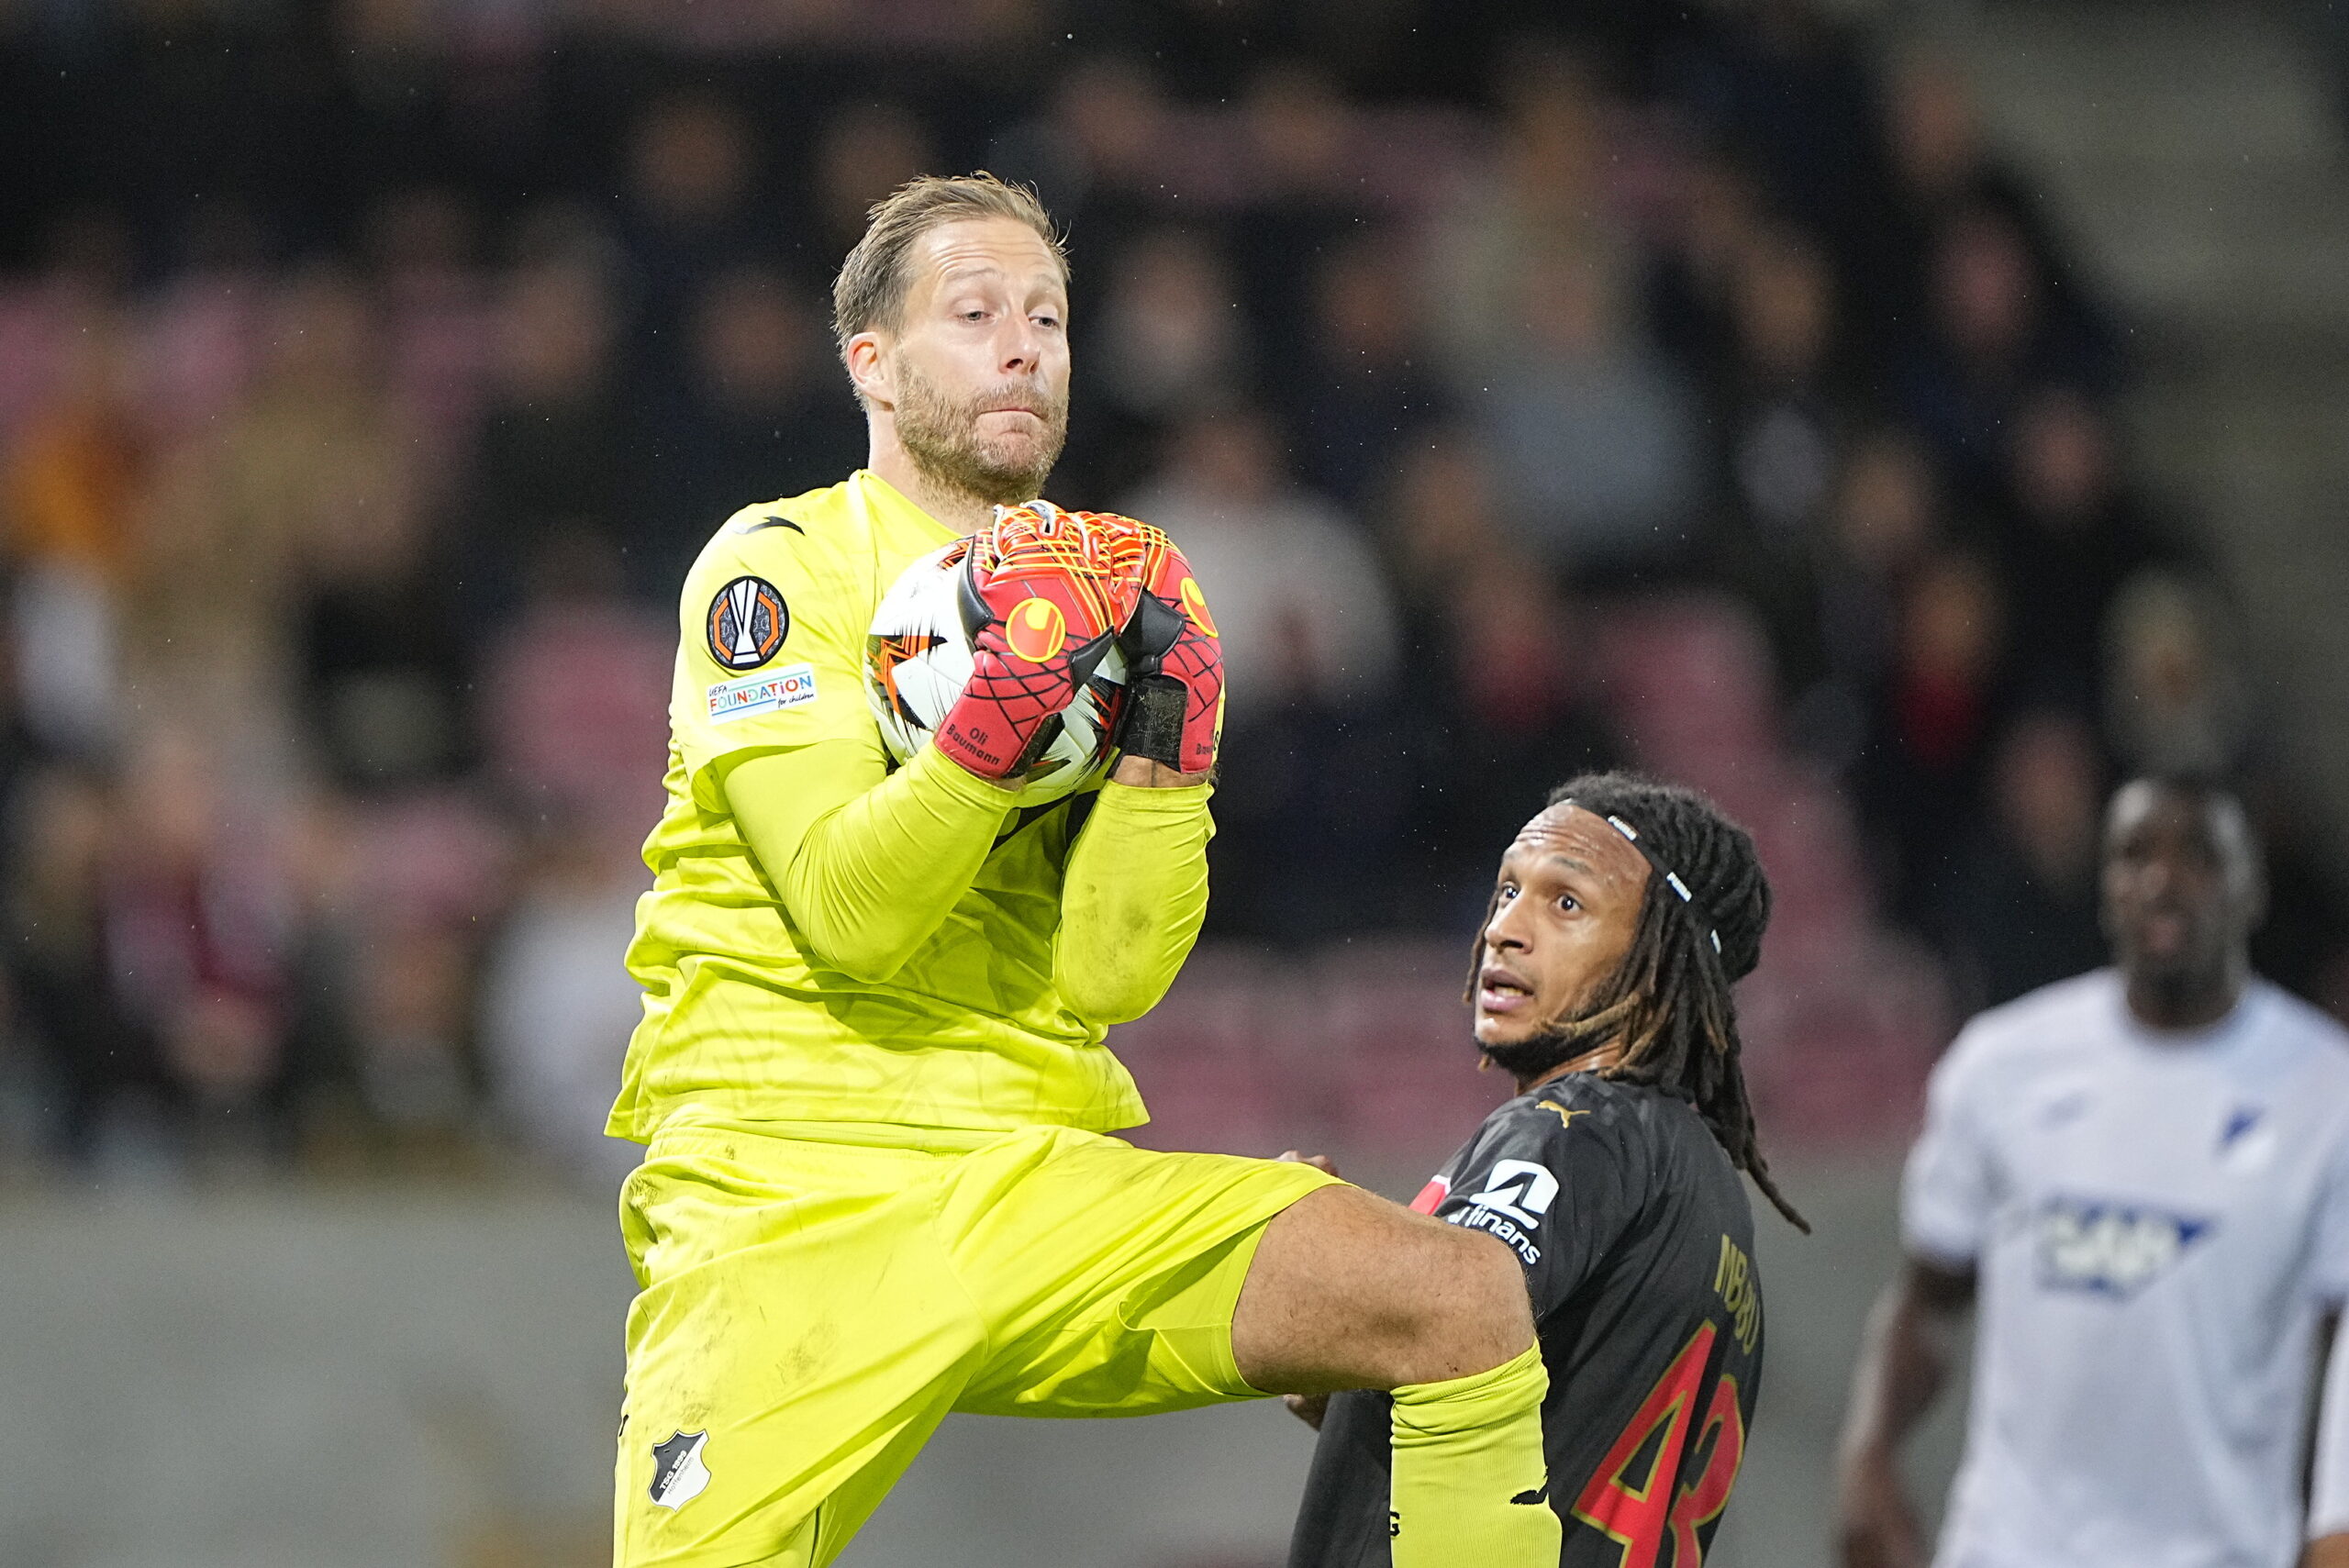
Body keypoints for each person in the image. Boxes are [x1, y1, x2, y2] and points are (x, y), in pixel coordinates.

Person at [609, 174, 1561, 1568]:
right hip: (786, 1201)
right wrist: (1000, 724)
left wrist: (1170, 753)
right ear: (869, 362)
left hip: (1035, 1179)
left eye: (1049, 318)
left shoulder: (1124, 591)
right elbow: (848, 912)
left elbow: (1113, 971)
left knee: (1462, 1302)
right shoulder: (776, 566)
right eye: (976, 312)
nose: (1025, 347)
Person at [1289, 773, 1808, 1567]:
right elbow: (1537, 1431)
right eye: (1506, 890)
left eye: (1566, 902)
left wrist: (1311, 1244)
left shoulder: (1579, 1129)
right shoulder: (1703, 1189)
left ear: (1657, 955)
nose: (1504, 928)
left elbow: (1455, 1307)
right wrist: (1340, 1372)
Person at [1836, 776, 2349, 1568]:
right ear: (2105, 886)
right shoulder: (2002, 1065)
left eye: (2200, 856)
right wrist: (1868, 1458)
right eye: (2133, 854)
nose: (2161, 880)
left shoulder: (2327, 1093)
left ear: (2254, 888)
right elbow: (1927, 1300)